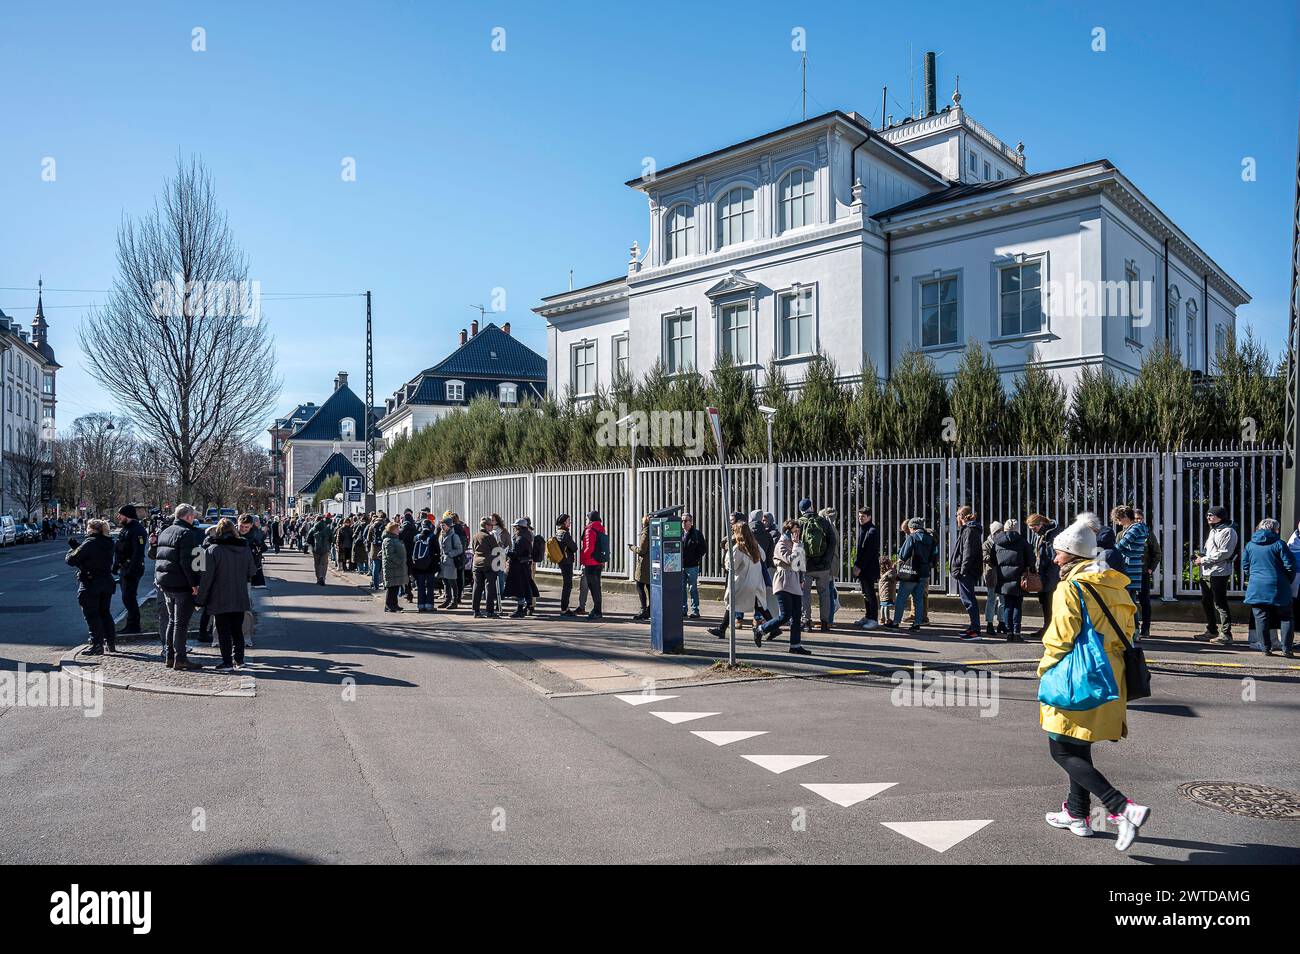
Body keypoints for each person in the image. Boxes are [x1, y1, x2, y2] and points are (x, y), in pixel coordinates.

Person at [1038, 513, 1150, 851]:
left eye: (1059, 553)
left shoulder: (1070, 587)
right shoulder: (1114, 584)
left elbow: (1061, 637)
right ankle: (1077, 814)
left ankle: (1122, 808)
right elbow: (1129, 628)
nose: (1055, 559)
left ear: (1072, 555)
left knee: (1060, 748)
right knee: (1079, 742)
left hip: (1076, 672)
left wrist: (1045, 668)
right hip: (1110, 673)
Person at [195, 518, 254, 671]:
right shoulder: (244, 547)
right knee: (237, 630)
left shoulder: (213, 550)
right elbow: (251, 571)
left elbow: (206, 577)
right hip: (239, 594)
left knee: (223, 631)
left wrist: (200, 600)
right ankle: (239, 660)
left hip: (219, 596)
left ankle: (227, 662)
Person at [152, 504, 205, 671]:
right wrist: (194, 584)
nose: (194, 519)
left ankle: (170, 655)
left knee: (172, 620)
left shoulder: (166, 531)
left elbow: (159, 557)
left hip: (166, 582)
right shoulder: (186, 533)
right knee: (181, 623)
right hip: (181, 584)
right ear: (188, 517)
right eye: (193, 516)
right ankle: (180, 658)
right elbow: (187, 563)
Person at [1241, 518, 1295, 657]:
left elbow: (1245, 565)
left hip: (1256, 587)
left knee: (1261, 618)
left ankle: (1265, 648)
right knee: (1286, 617)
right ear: (1275, 529)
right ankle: (1287, 649)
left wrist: (1254, 577)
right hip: (1279, 585)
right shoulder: (1279, 544)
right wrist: (1286, 580)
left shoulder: (1250, 545)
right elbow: (1289, 565)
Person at [756, 519, 811, 655]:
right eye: (795, 531)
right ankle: (761, 629)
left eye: (798, 531)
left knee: (796, 616)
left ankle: (795, 645)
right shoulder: (781, 544)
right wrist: (797, 545)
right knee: (785, 616)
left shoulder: (796, 543)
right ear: (788, 531)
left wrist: (802, 578)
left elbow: (801, 563)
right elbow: (792, 561)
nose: (797, 534)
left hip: (795, 582)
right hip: (783, 582)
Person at [709, 521, 772, 639]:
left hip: (742, 583)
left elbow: (731, 566)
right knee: (760, 606)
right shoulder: (755, 545)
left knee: (731, 604)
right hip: (755, 582)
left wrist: (728, 554)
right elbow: (763, 557)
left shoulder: (738, 548)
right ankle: (774, 628)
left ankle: (722, 629)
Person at [66, 519, 118, 656]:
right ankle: (111, 642)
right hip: (106, 582)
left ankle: (97, 645)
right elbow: (93, 556)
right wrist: (79, 548)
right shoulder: (109, 542)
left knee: (92, 615)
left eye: (87, 527)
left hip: (90, 583)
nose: (86, 530)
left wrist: (73, 548)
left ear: (92, 529)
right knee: (105, 613)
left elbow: (71, 560)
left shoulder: (89, 543)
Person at [1193, 505, 1239, 646]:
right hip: (1207, 571)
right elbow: (1211, 551)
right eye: (1208, 515)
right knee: (1206, 601)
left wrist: (1204, 560)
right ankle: (1212, 629)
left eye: (1211, 515)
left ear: (1220, 517)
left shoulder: (1228, 531)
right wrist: (1201, 557)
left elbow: (1224, 553)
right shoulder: (1213, 530)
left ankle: (1226, 634)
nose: (1208, 517)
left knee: (1219, 602)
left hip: (1219, 572)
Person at [796, 498, 837, 632]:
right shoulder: (823, 522)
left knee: (805, 594)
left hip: (805, 566)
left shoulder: (799, 523)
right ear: (812, 507)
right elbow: (832, 541)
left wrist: (798, 566)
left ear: (800, 510)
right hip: (823, 566)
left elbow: (795, 545)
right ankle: (825, 623)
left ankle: (806, 622)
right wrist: (827, 559)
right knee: (824, 594)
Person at [889, 518, 935, 631]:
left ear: (912, 527)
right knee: (918, 599)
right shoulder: (930, 538)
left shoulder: (912, 538)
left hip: (911, 573)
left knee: (901, 598)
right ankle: (917, 624)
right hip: (924, 573)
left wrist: (900, 551)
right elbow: (932, 556)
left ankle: (895, 622)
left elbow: (903, 555)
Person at [992, 517, 1033, 642]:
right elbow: (1031, 560)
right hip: (1019, 577)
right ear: (1017, 529)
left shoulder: (997, 542)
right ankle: (1016, 633)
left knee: (1007, 605)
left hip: (1003, 578)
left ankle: (1009, 633)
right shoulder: (1023, 542)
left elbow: (993, 560)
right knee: (1017, 606)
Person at [1111, 506, 1148, 633]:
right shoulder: (1137, 528)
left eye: (1119, 520)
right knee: (1130, 601)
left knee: (1129, 602)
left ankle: (1134, 630)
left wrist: (1109, 551)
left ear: (1126, 517)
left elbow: (1121, 546)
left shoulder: (1135, 528)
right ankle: (1133, 630)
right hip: (1133, 568)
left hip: (1130, 569)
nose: (1119, 523)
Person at [112, 504, 147, 636]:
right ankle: (131, 624)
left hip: (132, 568)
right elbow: (119, 548)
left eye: (120, 515)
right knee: (126, 597)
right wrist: (116, 565)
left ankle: (133, 626)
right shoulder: (125, 529)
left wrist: (131, 571)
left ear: (127, 515)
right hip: (124, 567)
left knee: (129, 598)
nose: (118, 517)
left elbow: (138, 553)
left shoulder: (138, 530)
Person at [950, 505, 983, 640]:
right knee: (968, 600)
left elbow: (968, 552)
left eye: (957, 515)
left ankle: (975, 630)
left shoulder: (970, 530)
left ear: (962, 516)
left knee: (969, 600)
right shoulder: (969, 529)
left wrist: (963, 571)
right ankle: (973, 627)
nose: (956, 518)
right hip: (967, 571)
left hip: (967, 572)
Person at [1026, 514, 1060, 638]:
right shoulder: (1041, 535)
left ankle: (1050, 629)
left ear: (1041, 524)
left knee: (1050, 603)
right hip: (1043, 573)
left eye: (1033, 528)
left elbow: (1052, 556)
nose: (1033, 531)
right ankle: (1047, 627)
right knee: (1045, 603)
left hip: (1051, 574)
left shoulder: (1052, 535)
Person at [851, 508, 880, 629]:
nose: (860, 518)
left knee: (870, 594)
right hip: (863, 569)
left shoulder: (872, 531)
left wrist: (859, 567)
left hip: (869, 569)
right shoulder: (864, 529)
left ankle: (873, 619)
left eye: (863, 516)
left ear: (869, 517)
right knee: (865, 594)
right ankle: (868, 616)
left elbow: (869, 553)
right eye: (859, 516)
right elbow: (861, 551)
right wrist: (857, 565)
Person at [1135, 508, 1160, 639]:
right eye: (1135, 519)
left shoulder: (1148, 534)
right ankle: (1133, 628)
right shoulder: (1124, 534)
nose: (1138, 521)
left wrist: (1151, 568)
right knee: (1130, 601)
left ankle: (1145, 629)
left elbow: (1157, 553)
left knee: (1144, 601)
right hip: (1129, 573)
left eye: (1140, 518)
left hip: (1143, 572)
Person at [579, 510, 608, 620]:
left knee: (593, 587)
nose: (586, 521)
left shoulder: (589, 529)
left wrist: (582, 558)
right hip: (599, 561)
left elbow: (589, 548)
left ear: (590, 519)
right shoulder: (601, 528)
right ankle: (597, 609)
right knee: (597, 587)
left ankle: (597, 611)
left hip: (590, 562)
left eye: (587, 518)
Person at [503, 518, 534, 618]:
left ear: (518, 527)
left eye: (515, 527)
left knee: (519, 588)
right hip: (524, 565)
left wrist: (506, 552)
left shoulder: (520, 539)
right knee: (524, 586)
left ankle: (520, 609)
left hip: (518, 567)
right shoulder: (527, 536)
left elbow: (516, 554)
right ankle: (526, 606)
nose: (514, 529)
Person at [471, 516, 500, 617]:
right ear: (486, 526)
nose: (492, 527)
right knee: (490, 587)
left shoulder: (475, 536)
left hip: (476, 563)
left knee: (477, 586)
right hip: (488, 563)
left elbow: (474, 550)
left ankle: (476, 611)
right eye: (491, 525)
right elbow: (497, 551)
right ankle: (490, 611)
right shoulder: (489, 537)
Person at [680, 512, 705, 619]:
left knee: (692, 588)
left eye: (685, 520)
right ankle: (683, 609)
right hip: (681, 566)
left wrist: (695, 558)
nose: (683, 522)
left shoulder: (696, 534)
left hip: (692, 566)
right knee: (682, 588)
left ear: (691, 522)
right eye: (682, 520)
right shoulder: (679, 533)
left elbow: (703, 549)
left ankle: (695, 610)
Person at [410, 521, 439, 612]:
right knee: (430, 586)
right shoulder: (433, 537)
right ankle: (429, 605)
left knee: (421, 586)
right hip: (430, 566)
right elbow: (437, 552)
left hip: (418, 566)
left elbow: (412, 551)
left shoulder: (416, 537)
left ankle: (421, 605)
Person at [553, 514, 578, 616]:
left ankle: (564, 607)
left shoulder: (558, 532)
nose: (570, 522)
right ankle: (564, 609)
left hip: (561, 561)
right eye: (568, 520)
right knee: (568, 585)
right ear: (564, 522)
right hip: (567, 562)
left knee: (566, 584)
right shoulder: (565, 534)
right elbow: (574, 548)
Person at [982, 520, 1005, 635]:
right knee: (991, 599)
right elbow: (984, 557)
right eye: (1000, 531)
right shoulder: (987, 544)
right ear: (995, 532)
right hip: (991, 575)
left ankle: (1002, 622)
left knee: (1003, 600)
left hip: (1002, 575)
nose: (1002, 533)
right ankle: (989, 623)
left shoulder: (1004, 542)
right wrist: (995, 557)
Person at [380, 521, 407, 612]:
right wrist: (399, 562)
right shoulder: (388, 540)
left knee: (395, 587)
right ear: (392, 530)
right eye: (397, 529)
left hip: (396, 568)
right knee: (391, 588)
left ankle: (394, 604)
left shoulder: (394, 539)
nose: (399, 530)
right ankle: (389, 606)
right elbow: (390, 555)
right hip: (392, 567)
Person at [438, 515, 464, 608]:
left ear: (449, 526)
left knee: (452, 582)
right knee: (445, 582)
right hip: (443, 562)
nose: (442, 527)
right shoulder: (442, 535)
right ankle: (447, 599)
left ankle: (454, 601)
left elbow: (459, 549)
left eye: (443, 525)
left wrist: (450, 554)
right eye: (441, 525)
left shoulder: (454, 536)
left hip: (451, 563)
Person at [631, 514, 651, 621]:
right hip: (651, 564)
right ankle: (650, 609)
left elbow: (642, 550)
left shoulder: (645, 533)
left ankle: (644, 610)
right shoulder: (653, 531)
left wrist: (632, 548)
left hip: (644, 565)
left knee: (639, 586)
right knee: (649, 587)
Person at [307, 515, 334, 586]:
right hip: (325, 549)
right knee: (324, 564)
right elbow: (332, 539)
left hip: (316, 549)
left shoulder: (313, 529)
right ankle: (323, 577)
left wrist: (312, 545)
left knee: (317, 564)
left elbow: (308, 540)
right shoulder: (327, 529)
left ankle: (318, 578)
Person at [876, 555, 898, 626]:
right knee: (886, 606)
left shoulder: (882, 573)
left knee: (882, 605)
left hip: (882, 593)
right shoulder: (890, 572)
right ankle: (887, 619)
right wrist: (894, 569)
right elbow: (894, 577)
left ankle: (882, 618)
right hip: (887, 593)